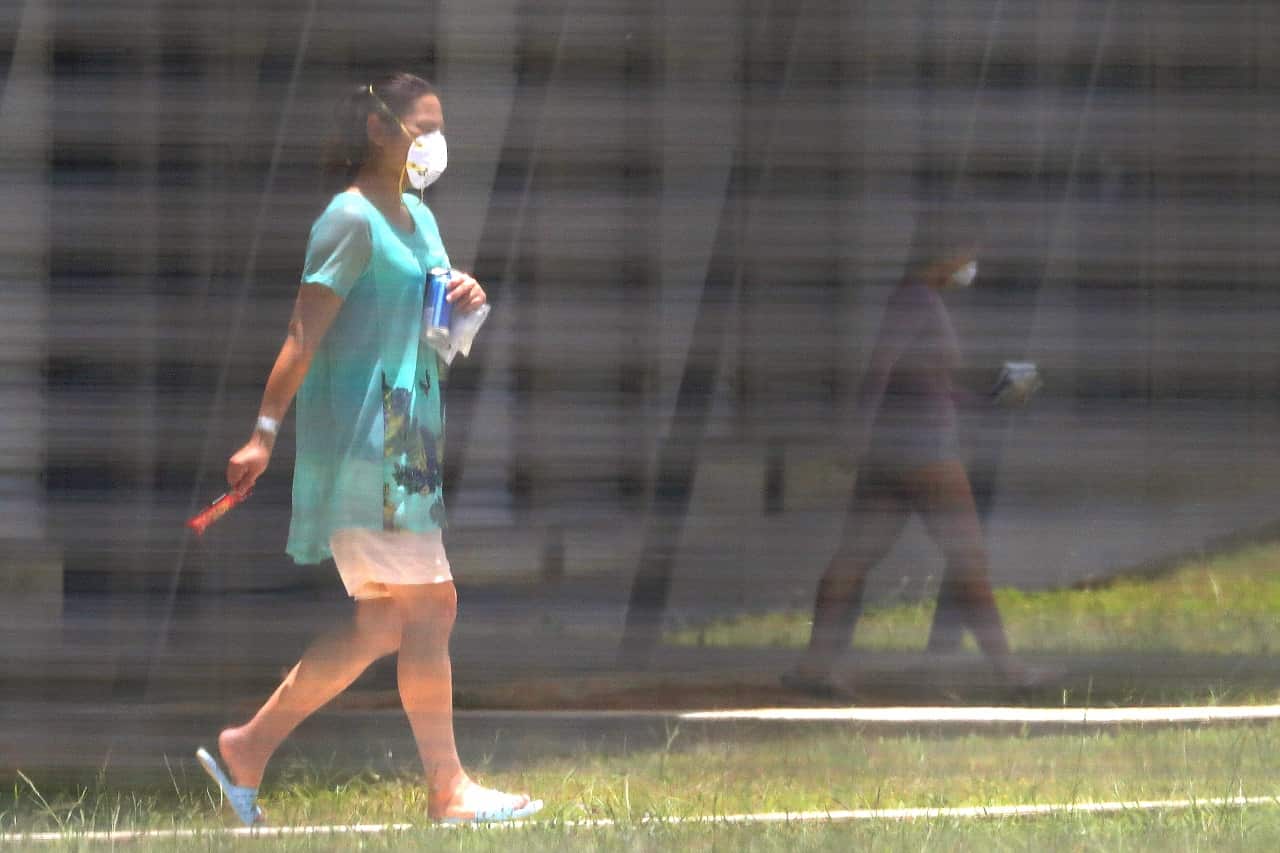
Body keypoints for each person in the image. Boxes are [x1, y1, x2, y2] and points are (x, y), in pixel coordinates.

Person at [194, 72, 542, 826]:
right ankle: (447, 789)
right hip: (365, 441)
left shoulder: (419, 217)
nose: (436, 142)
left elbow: (434, 339)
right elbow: (301, 333)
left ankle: (247, 746)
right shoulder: (347, 218)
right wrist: (262, 434)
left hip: (409, 432)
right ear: (379, 130)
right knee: (431, 605)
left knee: (386, 621)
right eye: (424, 127)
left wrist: (466, 306)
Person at [784, 207, 1044, 697]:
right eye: (972, 252)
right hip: (925, 453)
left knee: (853, 558)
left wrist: (991, 399)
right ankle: (1011, 672)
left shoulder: (918, 301)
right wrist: (854, 433)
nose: (974, 263)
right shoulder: (916, 300)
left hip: (892, 452)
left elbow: (930, 386)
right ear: (950, 252)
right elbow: (879, 368)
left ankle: (812, 669)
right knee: (968, 559)